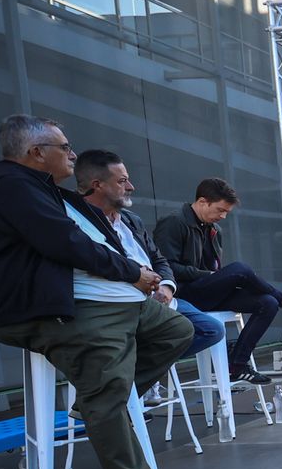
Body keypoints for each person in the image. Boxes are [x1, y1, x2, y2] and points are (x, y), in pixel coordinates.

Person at [0, 114, 196, 469]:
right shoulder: (12, 188)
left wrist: (143, 281)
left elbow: (82, 243)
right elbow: (66, 243)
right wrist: (132, 274)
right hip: (34, 310)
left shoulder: (40, 189)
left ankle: (95, 402)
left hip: (84, 302)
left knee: (176, 328)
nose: (72, 154)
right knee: (106, 385)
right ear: (36, 153)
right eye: (64, 148)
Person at [155, 176, 282, 382]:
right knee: (240, 269)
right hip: (183, 295)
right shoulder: (174, 222)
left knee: (267, 303)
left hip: (206, 291)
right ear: (203, 202)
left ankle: (237, 364)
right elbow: (166, 268)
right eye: (220, 210)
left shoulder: (215, 230)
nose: (223, 216)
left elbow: (215, 268)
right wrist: (211, 276)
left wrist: (217, 277)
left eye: (226, 212)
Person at [74, 150, 224, 366]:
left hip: (159, 299)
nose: (131, 187)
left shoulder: (130, 220)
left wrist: (166, 287)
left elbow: (159, 259)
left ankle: (135, 373)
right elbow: (99, 263)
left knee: (212, 329)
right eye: (123, 181)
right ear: (98, 185)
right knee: (237, 280)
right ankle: (129, 377)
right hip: (120, 303)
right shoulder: (77, 220)